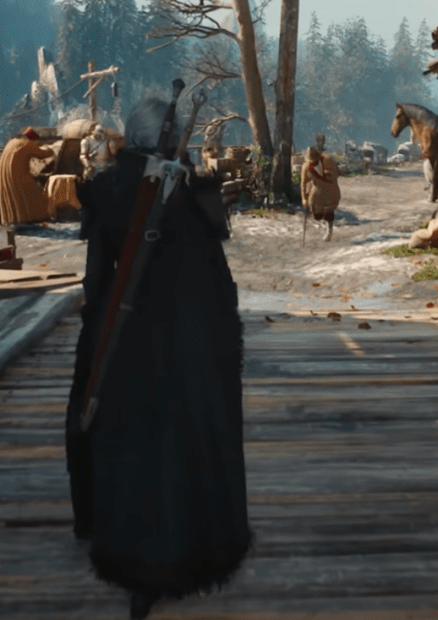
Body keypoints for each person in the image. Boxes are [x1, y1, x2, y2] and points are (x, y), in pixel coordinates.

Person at [65, 97, 252, 619]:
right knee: (167, 441)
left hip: (157, 337)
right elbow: (215, 275)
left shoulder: (159, 187)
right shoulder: (163, 188)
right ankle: (161, 555)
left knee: (152, 441)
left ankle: (157, 551)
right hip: (171, 336)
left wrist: (95, 335)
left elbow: (99, 278)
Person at [0, 127, 54, 224]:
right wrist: (49, 147)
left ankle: (12, 218)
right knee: (31, 195)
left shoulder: (12, 142)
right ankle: (32, 217)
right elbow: (44, 154)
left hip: (5, 174)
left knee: (13, 197)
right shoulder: (27, 144)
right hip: (18, 175)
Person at [301, 142, 341, 241]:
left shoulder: (327, 160)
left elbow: (336, 173)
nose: (313, 162)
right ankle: (324, 222)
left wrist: (329, 174)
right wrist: (304, 198)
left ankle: (329, 230)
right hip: (317, 192)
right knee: (317, 215)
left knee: (329, 212)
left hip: (330, 189)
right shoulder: (306, 167)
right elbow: (304, 183)